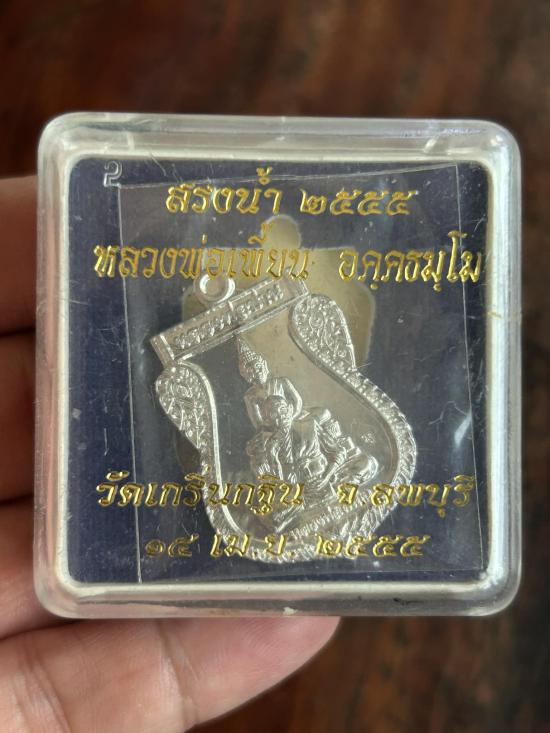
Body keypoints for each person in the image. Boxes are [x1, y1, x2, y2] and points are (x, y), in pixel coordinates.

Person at [0, 177, 338, 733]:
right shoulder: (258, 442)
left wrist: (319, 458)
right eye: (261, 405)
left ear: (289, 399)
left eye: (276, 401)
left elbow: (330, 454)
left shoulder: (306, 424)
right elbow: (264, 476)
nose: (269, 408)